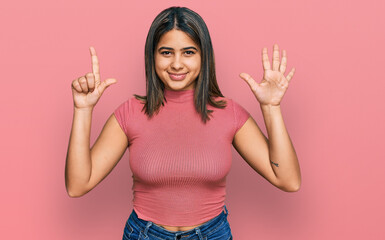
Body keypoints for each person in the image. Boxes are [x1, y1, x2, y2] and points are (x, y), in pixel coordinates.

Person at [65, 6, 301, 240]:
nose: (177, 64)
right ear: (152, 56)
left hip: (212, 234)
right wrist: (83, 109)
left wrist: (271, 108)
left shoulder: (229, 113)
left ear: (203, 56)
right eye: (166, 52)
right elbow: (78, 185)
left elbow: (288, 180)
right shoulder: (131, 113)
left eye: (188, 52)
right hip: (145, 235)